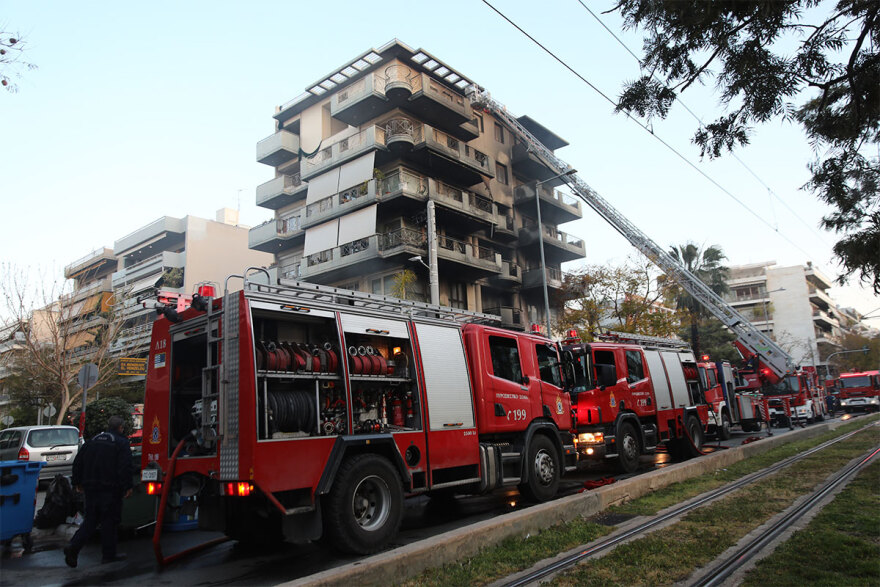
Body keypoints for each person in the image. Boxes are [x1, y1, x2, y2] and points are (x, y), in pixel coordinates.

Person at [63, 415, 133, 567]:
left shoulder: (92, 441)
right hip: (110, 488)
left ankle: (73, 546)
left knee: (91, 520)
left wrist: (77, 482)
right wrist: (127, 486)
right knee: (110, 521)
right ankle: (109, 555)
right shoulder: (121, 443)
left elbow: (78, 462)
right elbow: (125, 467)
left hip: (90, 487)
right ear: (121, 428)